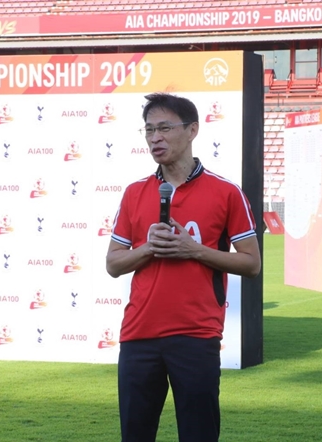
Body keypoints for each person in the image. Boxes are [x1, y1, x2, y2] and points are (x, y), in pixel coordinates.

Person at [106, 93, 261, 442]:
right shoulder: (134, 193)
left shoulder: (227, 192)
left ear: (192, 130)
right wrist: (148, 248)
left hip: (196, 335)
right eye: (149, 130)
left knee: (198, 434)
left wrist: (194, 250)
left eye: (164, 128)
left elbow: (251, 264)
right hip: (138, 336)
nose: (155, 138)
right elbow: (113, 264)